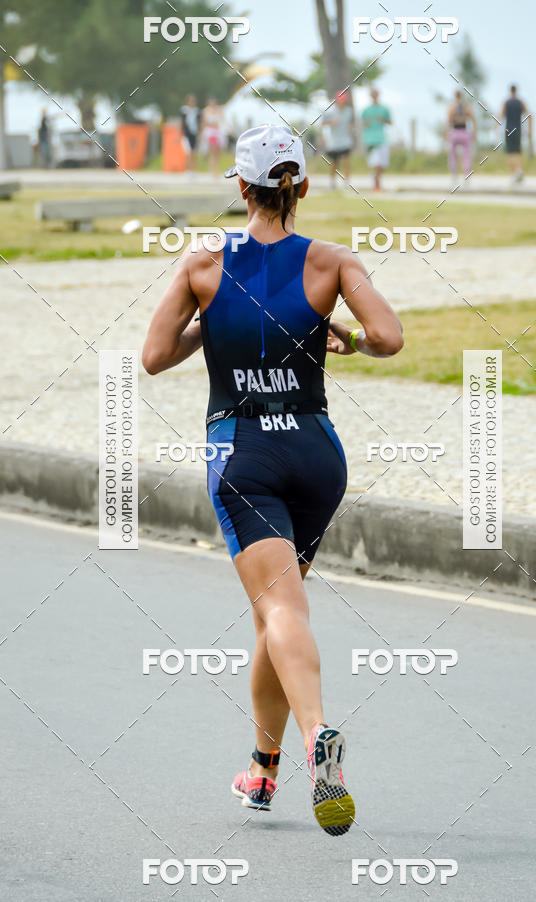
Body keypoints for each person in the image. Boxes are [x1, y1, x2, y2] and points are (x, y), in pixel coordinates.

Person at [142, 124, 403, 836]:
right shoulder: (333, 261)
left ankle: (318, 732)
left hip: (244, 457)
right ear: (303, 187)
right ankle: (263, 767)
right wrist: (337, 331)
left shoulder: (203, 264)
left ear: (240, 187)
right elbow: (390, 338)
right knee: (274, 611)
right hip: (317, 456)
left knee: (281, 611)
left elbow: (155, 356)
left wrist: (211, 324)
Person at [322, 90, 354, 189]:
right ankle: (332, 183)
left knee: (346, 162)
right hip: (333, 142)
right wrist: (332, 122)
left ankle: (346, 183)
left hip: (345, 140)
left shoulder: (349, 111)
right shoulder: (330, 111)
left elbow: (350, 124)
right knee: (334, 164)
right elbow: (323, 124)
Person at [361, 87, 392, 191]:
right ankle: (376, 185)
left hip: (382, 139)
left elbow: (390, 122)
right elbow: (362, 124)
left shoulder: (384, 109)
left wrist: (383, 119)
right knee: (376, 163)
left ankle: (377, 183)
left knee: (382, 164)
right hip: (370, 140)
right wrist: (366, 124)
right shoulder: (366, 110)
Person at [500, 85, 532, 184]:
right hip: (518, 129)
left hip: (508, 129)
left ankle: (515, 173)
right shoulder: (521, 102)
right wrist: (529, 131)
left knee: (510, 152)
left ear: (510, 91)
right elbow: (529, 116)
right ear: (516, 91)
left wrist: (496, 130)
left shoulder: (506, 102)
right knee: (518, 151)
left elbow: (501, 116)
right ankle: (519, 170)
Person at [446, 90, 476, 186]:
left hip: (454, 133)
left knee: (453, 155)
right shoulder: (466, 107)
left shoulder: (452, 107)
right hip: (464, 132)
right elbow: (473, 119)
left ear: (455, 96)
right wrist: (474, 131)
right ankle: (466, 176)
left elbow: (448, 121)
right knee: (466, 156)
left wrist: (446, 133)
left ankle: (454, 175)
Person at [201, 96, 227, 179]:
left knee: (217, 153)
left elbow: (223, 121)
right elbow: (204, 123)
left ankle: (216, 169)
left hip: (218, 133)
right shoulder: (206, 111)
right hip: (210, 133)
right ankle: (213, 170)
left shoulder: (219, 110)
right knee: (212, 151)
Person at [180, 93, 201, 172]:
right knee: (188, 152)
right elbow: (181, 122)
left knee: (193, 153)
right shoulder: (184, 110)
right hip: (186, 133)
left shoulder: (197, 111)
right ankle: (188, 169)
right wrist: (179, 133)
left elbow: (199, 123)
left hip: (194, 133)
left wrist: (199, 134)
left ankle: (193, 169)